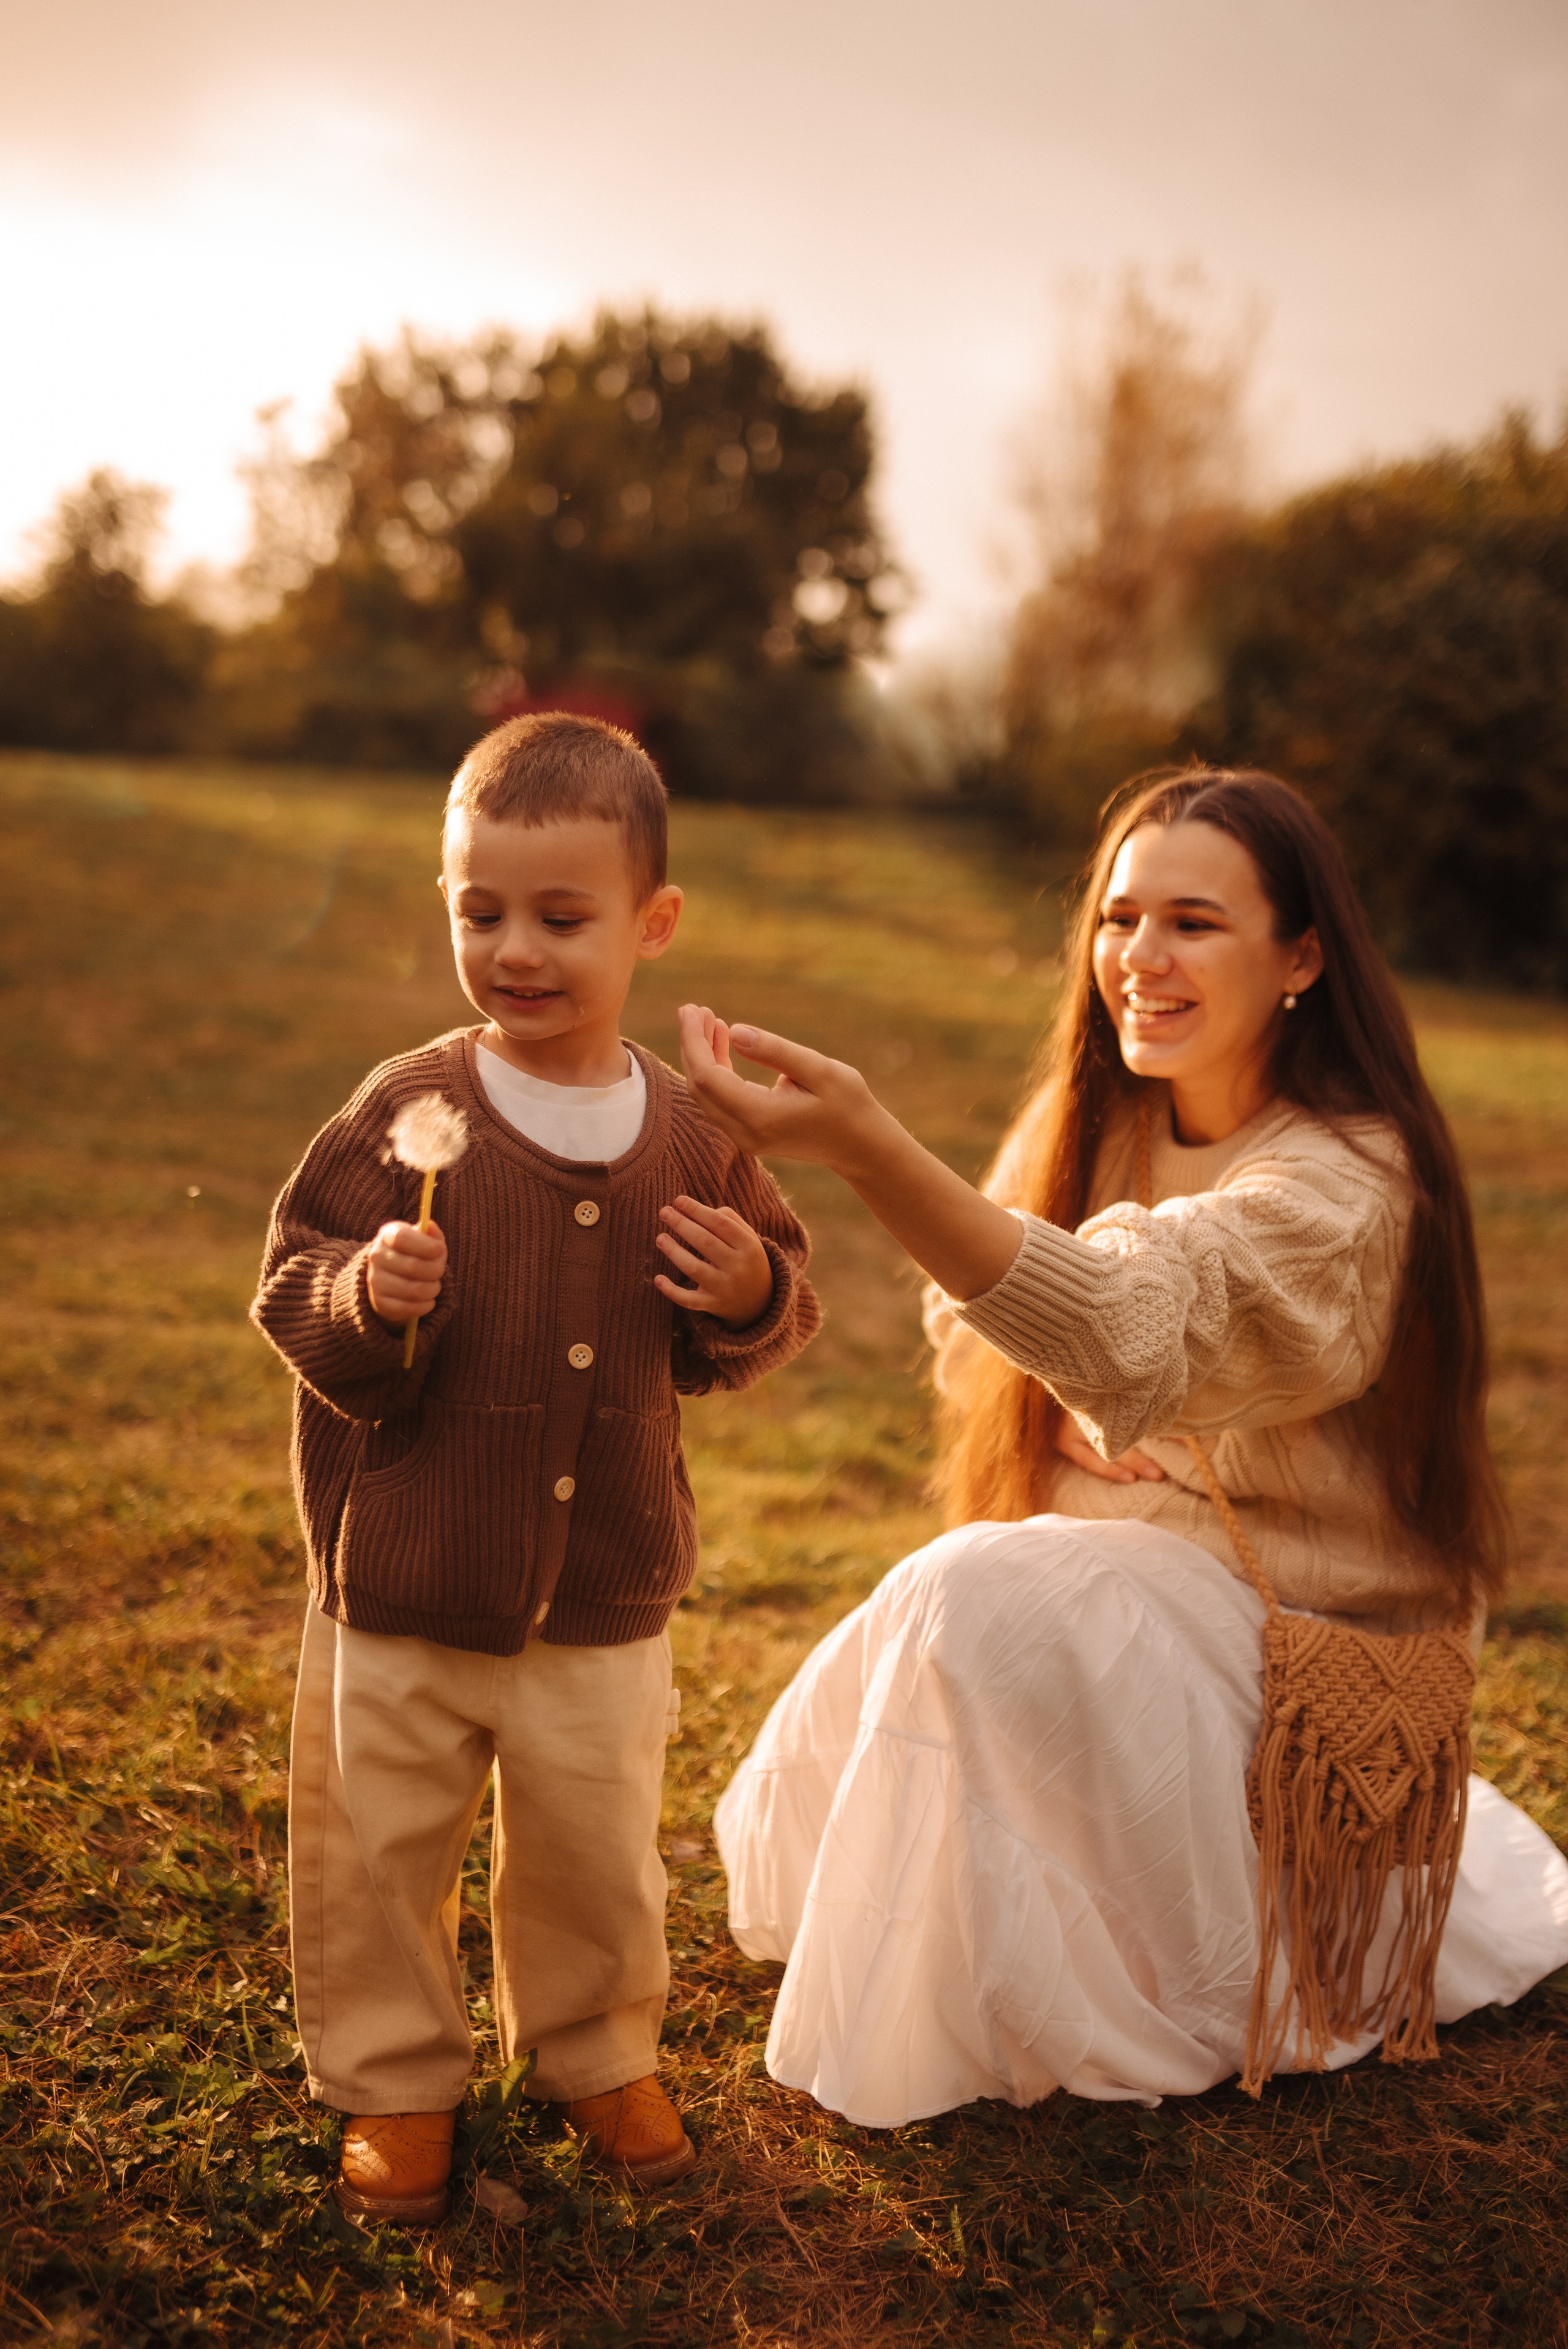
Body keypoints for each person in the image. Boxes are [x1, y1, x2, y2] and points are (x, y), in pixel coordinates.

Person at [679, 766, 1568, 2128]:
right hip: (1128, 1617)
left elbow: (1117, 1314)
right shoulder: (1086, 1120)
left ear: (1300, 957)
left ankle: (1206, 1937)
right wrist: (1080, 1421)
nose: (1138, 959)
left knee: (967, 1590)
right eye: (1117, 916)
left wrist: (865, 1147)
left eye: (1193, 923)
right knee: (974, 1599)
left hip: (1298, 1673)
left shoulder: (1345, 1182)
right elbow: (979, 1322)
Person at [251, 712, 820, 2218]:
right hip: (408, 1575)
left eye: (561, 918)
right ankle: (393, 2080)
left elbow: (777, 1296)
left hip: (604, 1584)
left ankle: (590, 2049)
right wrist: (368, 1294)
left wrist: (746, 1294)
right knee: (382, 1845)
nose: (515, 947)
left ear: (651, 923)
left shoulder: (690, 1133)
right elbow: (289, 1282)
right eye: (477, 909)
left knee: (592, 1844)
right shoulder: (406, 1109)